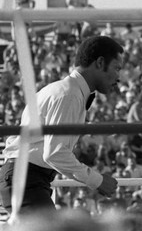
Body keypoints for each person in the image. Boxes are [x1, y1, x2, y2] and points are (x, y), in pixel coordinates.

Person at [0, 36, 123, 214]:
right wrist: (97, 180)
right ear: (100, 62)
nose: (118, 77)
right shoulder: (70, 95)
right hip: (26, 181)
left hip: (27, 180)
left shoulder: (67, 91)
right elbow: (54, 153)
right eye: (116, 68)